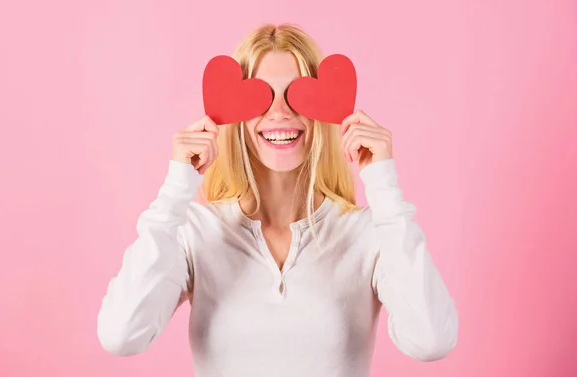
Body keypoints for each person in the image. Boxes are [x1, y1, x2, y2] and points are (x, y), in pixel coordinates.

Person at [96, 23, 458, 377]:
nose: (280, 113)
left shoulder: (368, 233)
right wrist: (177, 186)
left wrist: (382, 185)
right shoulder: (196, 232)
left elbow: (430, 341)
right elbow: (121, 335)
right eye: (261, 96)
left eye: (297, 95)